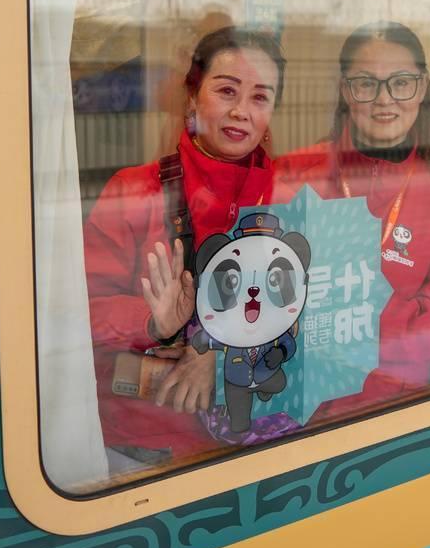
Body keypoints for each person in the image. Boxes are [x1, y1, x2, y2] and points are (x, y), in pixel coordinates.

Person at [83, 27, 286, 474]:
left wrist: (221, 355)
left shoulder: (291, 198)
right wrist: (154, 323)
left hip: (263, 444)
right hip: (145, 447)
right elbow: (79, 312)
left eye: (260, 97)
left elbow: (316, 320)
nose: (241, 111)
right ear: (192, 97)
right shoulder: (133, 190)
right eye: (226, 90)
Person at [275, 21, 430, 422]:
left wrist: (349, 314)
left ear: (421, 89)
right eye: (366, 84)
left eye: (401, 83)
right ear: (345, 91)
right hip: (296, 409)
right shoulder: (293, 175)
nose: (384, 99)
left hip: (392, 413)